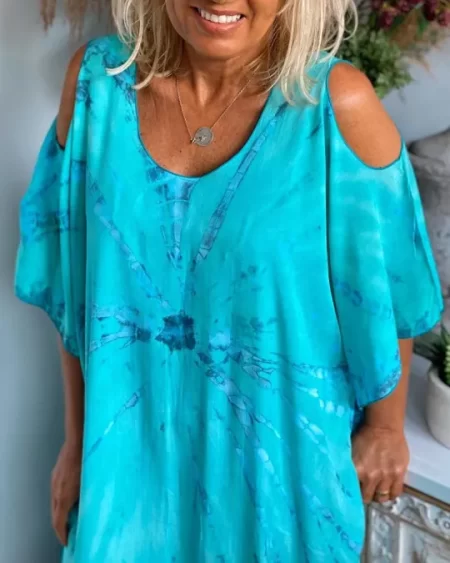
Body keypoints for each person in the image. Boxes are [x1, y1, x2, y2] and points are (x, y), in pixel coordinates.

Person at [15, 0, 443, 561]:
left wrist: (386, 428)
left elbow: (392, 292)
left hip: (280, 495)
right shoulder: (96, 85)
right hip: (123, 490)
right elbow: (78, 297)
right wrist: (76, 446)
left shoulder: (335, 107)